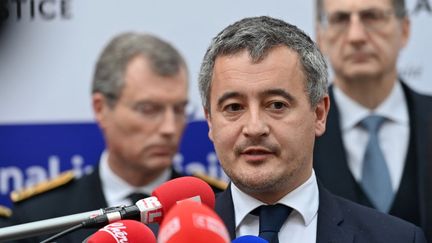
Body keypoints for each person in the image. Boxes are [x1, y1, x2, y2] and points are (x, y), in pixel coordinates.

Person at [199, 16, 427, 242]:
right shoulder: (172, 235)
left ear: (319, 114)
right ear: (210, 121)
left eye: (277, 105)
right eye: (234, 107)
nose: (255, 127)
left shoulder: (397, 238)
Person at [4, 32, 223, 242]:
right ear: (101, 109)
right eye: (148, 109)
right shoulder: (41, 216)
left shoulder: (214, 207)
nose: (169, 128)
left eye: (179, 110)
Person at [313, 0, 432, 238]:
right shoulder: (295, 131)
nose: (356, 36)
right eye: (340, 20)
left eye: (372, 17)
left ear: (405, 29)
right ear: (320, 36)